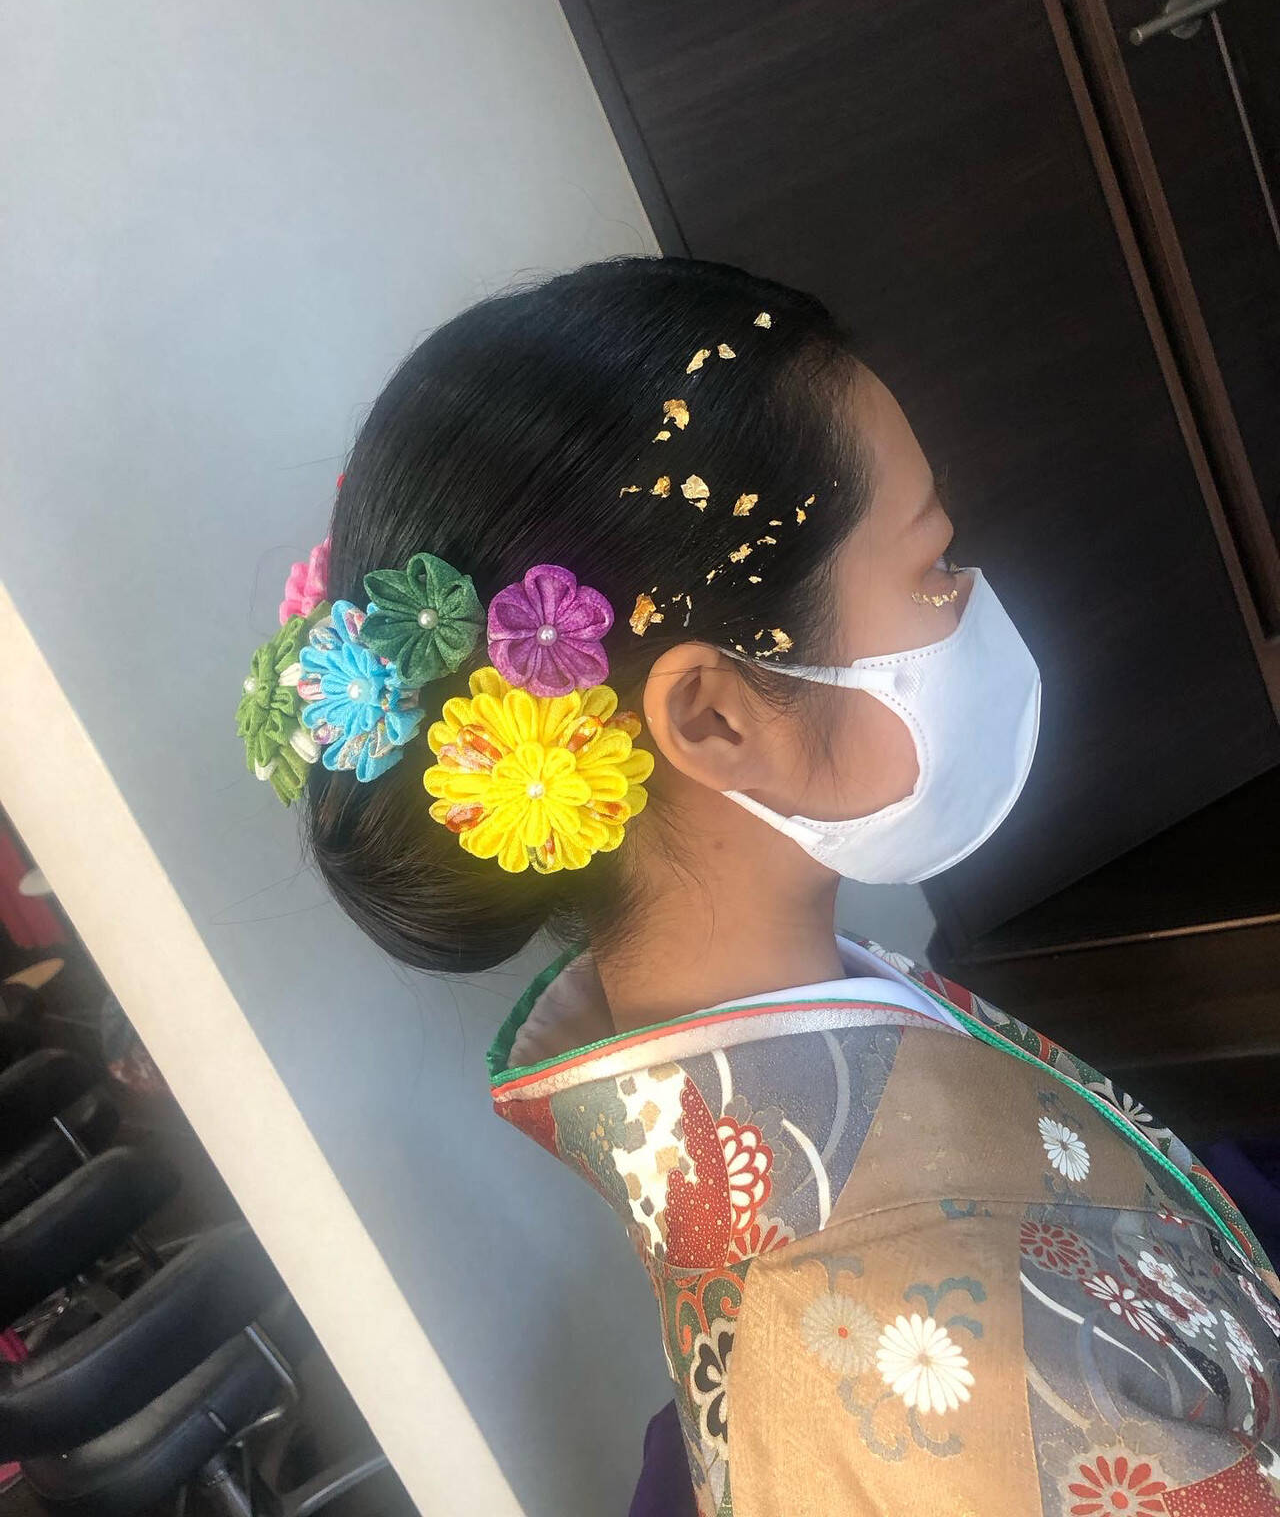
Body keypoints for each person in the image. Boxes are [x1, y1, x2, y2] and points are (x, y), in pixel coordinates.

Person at [237, 255, 1280, 1515]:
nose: (968, 601)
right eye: (930, 566)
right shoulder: (911, 1364)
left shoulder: (825, 1025)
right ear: (714, 718)